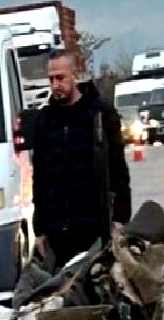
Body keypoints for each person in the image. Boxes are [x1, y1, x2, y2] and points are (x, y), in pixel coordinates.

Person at [28, 51, 132, 265]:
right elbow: (40, 179)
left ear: (75, 74)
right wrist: (39, 230)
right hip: (58, 233)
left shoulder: (100, 114)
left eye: (61, 77)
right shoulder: (45, 121)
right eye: (51, 79)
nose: (56, 84)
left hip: (95, 229)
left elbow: (118, 170)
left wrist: (120, 219)